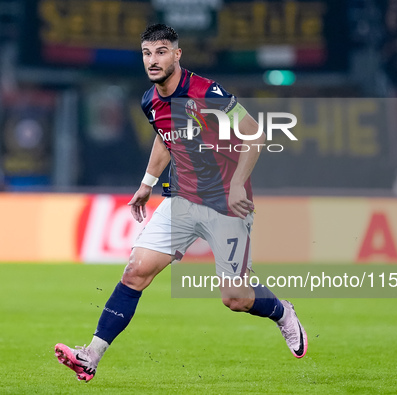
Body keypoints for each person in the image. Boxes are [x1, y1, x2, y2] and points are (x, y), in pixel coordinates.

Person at [55, 24, 307, 382]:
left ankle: (282, 312)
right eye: (146, 53)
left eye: (160, 52)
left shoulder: (208, 92)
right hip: (180, 200)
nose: (153, 60)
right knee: (136, 271)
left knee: (235, 297)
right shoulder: (149, 101)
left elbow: (254, 134)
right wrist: (146, 184)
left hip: (225, 203)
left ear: (177, 54)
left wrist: (237, 184)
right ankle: (91, 354)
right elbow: (164, 138)